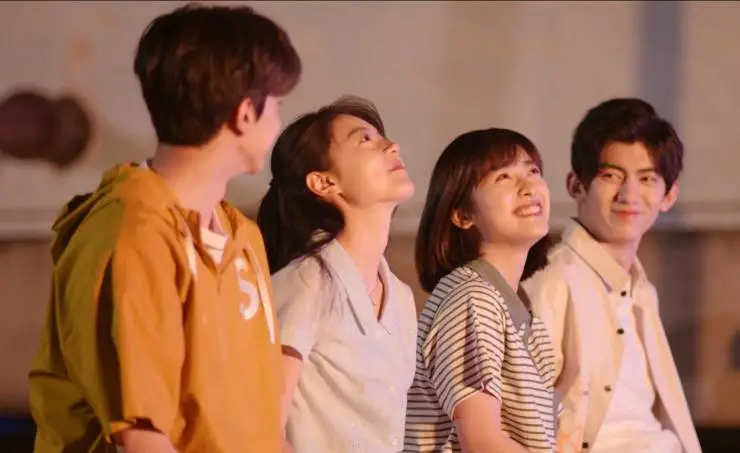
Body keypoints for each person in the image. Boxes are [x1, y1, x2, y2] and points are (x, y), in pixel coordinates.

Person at [28, 4, 301, 452]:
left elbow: (263, 425)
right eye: (277, 106)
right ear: (244, 114)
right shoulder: (132, 232)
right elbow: (141, 436)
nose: (279, 123)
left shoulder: (242, 237)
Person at [523, 98, 702, 453]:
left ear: (669, 195)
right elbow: (523, 417)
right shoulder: (553, 281)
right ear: (576, 185)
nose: (628, 194)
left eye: (647, 178)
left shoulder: (642, 290)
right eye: (611, 176)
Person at [256, 96, 418, 453]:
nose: (391, 146)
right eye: (365, 139)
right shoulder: (307, 281)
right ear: (324, 183)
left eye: (381, 136)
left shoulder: (402, 299)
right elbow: (262, 426)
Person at [404, 128, 558, 453]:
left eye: (532, 171)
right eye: (503, 177)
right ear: (463, 215)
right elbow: (482, 442)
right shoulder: (472, 297)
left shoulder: (515, 301)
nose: (528, 186)